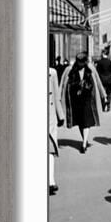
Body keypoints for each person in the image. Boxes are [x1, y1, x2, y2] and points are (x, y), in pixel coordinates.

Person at [60, 52, 106, 154]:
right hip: (76, 101)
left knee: (86, 121)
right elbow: (63, 84)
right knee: (81, 122)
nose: (80, 64)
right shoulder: (70, 69)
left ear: (85, 61)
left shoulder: (91, 69)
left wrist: (104, 95)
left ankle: (84, 144)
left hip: (88, 100)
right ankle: (84, 139)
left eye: (82, 62)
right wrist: (59, 97)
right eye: (79, 62)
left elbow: (98, 81)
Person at [48, 67, 65, 195]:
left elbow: (56, 96)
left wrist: (60, 115)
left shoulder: (52, 73)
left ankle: (51, 181)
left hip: (50, 116)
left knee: (50, 149)